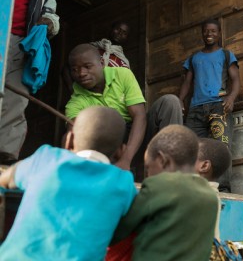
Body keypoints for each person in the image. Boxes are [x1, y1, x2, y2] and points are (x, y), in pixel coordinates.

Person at [0, 107, 137, 260]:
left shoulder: (46, 158)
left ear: (69, 140)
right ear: (121, 151)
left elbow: (4, 180)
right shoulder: (124, 184)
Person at [65, 44, 183, 173]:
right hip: (111, 152)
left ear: (102, 63)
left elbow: (140, 116)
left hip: (140, 138)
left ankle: (171, 170)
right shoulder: (75, 103)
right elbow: (77, 140)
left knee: (170, 102)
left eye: (87, 67)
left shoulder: (122, 74)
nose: (81, 73)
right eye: (75, 69)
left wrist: (126, 158)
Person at [110, 125, 218, 261]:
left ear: (162, 159)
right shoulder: (211, 195)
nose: (147, 176)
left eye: (148, 168)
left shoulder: (158, 185)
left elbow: (121, 230)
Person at [0, 0, 60, 160]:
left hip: (20, 43)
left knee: (15, 100)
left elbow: (51, 12)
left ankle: (4, 159)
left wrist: (47, 22)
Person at [179, 19, 240, 191]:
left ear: (219, 33)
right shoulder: (193, 58)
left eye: (213, 31)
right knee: (191, 148)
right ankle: (193, 187)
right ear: (202, 33)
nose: (209, 34)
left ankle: (223, 188)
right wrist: (180, 99)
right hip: (195, 109)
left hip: (218, 106)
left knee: (222, 146)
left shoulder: (226, 55)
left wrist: (231, 98)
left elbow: (236, 80)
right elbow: (186, 83)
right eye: (206, 31)